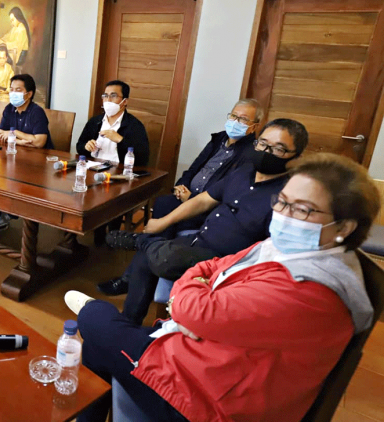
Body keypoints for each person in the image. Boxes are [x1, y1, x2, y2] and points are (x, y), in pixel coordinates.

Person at [63, 152, 378, 422]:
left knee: (94, 318)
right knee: (97, 341)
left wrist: (192, 295)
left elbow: (194, 307)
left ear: (345, 227)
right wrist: (197, 290)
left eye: (302, 209)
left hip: (212, 400)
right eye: (281, 202)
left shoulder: (312, 291)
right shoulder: (289, 249)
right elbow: (215, 265)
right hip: (205, 358)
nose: (283, 215)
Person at [113, 118, 309, 325]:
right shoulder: (243, 172)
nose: (266, 151)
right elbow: (203, 200)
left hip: (228, 263)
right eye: (263, 143)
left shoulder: (290, 197)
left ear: (296, 157)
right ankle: (128, 323)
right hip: (201, 240)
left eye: (278, 149)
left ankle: (143, 241)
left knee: (165, 259)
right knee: (147, 258)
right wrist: (163, 222)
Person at [98, 98, 261, 295]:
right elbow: (194, 167)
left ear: (254, 127)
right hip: (184, 197)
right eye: (234, 116)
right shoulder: (218, 139)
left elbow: (223, 192)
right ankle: (141, 266)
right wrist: (181, 185)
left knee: (159, 229)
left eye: (243, 119)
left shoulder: (250, 155)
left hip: (206, 209)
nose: (236, 122)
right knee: (163, 204)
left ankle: (132, 276)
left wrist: (193, 197)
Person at [0, 74, 53, 234]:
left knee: (17, 180)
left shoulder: (37, 112)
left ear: (29, 94)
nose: (13, 93)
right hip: (14, 155)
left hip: (37, 163)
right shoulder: (9, 109)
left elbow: (39, 142)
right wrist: (22, 140)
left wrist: (15, 133)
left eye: (18, 90)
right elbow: (1, 134)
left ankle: (8, 214)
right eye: (11, 89)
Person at [76, 80, 149, 166]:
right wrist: (86, 147)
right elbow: (79, 147)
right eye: (105, 96)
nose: (108, 100)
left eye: (113, 96)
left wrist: (120, 140)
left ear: (125, 101)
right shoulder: (95, 121)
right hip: (93, 167)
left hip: (119, 171)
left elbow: (142, 158)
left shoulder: (135, 125)